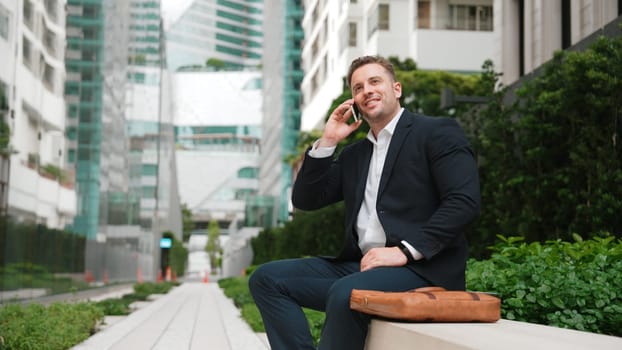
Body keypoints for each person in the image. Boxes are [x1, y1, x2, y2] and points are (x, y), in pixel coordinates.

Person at [249, 55, 481, 350]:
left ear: (396, 89)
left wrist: (404, 252)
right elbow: (306, 200)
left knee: (346, 294)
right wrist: (328, 141)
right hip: (360, 267)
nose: (366, 90)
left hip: (421, 270)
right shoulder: (353, 155)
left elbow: (464, 201)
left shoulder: (436, 132)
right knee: (266, 279)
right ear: (355, 102)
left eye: (375, 81)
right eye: (358, 88)